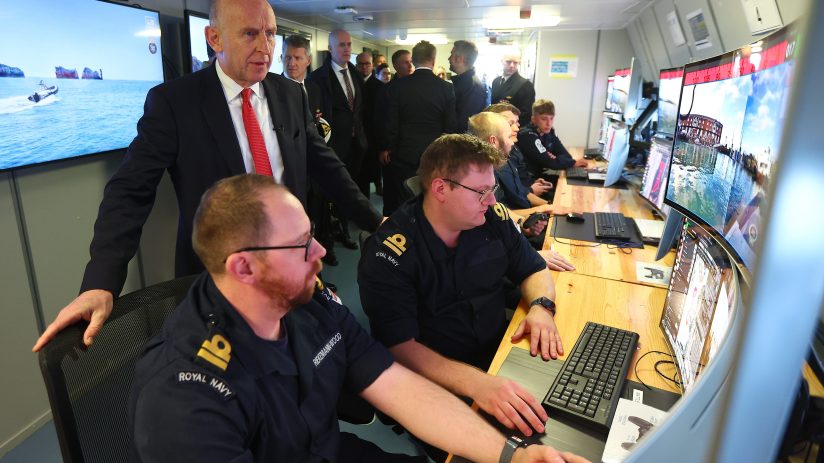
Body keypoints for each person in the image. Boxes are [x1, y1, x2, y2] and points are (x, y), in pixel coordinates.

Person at [129, 173, 588, 463]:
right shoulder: (184, 396)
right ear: (243, 268)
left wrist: (511, 457)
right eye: (302, 245)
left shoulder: (309, 303)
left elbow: (396, 384)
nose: (322, 252)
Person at [32, 0, 380, 352]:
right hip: (218, 283)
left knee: (302, 366)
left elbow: (326, 165)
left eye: (271, 33)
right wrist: (100, 282)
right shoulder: (175, 102)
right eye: (249, 34)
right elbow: (129, 190)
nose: (265, 47)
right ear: (214, 38)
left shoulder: (289, 94)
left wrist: (375, 221)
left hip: (292, 266)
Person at [359, 134, 566, 459]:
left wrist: (541, 307)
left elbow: (534, 268)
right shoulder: (391, 252)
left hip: (500, 352)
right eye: (482, 192)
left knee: (566, 421)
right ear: (441, 189)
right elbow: (400, 347)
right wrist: (477, 384)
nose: (491, 201)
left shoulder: (492, 219)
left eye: (492, 190)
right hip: (440, 380)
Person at [467, 112, 575, 272]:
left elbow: (501, 214)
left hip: (509, 246)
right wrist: (529, 255)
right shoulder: (476, 182)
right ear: (493, 141)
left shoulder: (488, 170)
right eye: (509, 137)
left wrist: (523, 226)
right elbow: (482, 243)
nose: (513, 143)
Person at [281, 34, 339, 265]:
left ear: (307, 60)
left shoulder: (316, 89)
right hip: (292, 168)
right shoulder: (273, 91)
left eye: (297, 58)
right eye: (286, 57)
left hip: (317, 165)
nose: (291, 63)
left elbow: (325, 125)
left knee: (320, 209)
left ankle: (325, 251)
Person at [383, 40, 457, 215]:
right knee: (432, 199)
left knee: (405, 200)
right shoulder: (446, 88)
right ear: (433, 60)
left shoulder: (398, 87)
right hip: (435, 154)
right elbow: (450, 125)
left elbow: (391, 123)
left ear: (414, 60)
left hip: (404, 153)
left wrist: (388, 147)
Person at [309, 30, 366, 251]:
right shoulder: (318, 78)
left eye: (349, 44)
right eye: (341, 45)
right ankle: (327, 240)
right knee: (327, 193)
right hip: (332, 146)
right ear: (330, 49)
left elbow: (359, 111)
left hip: (355, 144)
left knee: (348, 189)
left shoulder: (354, 72)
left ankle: (343, 229)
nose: (347, 49)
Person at [486, 102, 555, 200]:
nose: (517, 128)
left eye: (516, 122)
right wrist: (531, 190)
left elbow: (519, 182)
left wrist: (532, 183)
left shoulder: (513, 149)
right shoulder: (496, 161)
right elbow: (513, 199)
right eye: (510, 123)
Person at [518, 99, 587, 180]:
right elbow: (550, 163)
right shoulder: (527, 135)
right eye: (544, 119)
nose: (549, 123)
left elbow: (567, 156)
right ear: (533, 119)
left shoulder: (549, 132)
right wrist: (572, 163)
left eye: (551, 118)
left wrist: (555, 159)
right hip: (528, 181)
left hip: (539, 177)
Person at [449, 40, 487, 133]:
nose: (448, 58)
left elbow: (464, 124)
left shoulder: (473, 87)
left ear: (459, 58)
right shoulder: (464, 83)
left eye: (451, 55)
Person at [491, 52, 536, 126]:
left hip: (514, 128)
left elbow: (526, 114)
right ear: (502, 62)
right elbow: (493, 106)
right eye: (508, 62)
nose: (512, 65)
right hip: (496, 126)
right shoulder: (496, 82)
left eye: (515, 63)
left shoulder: (525, 85)